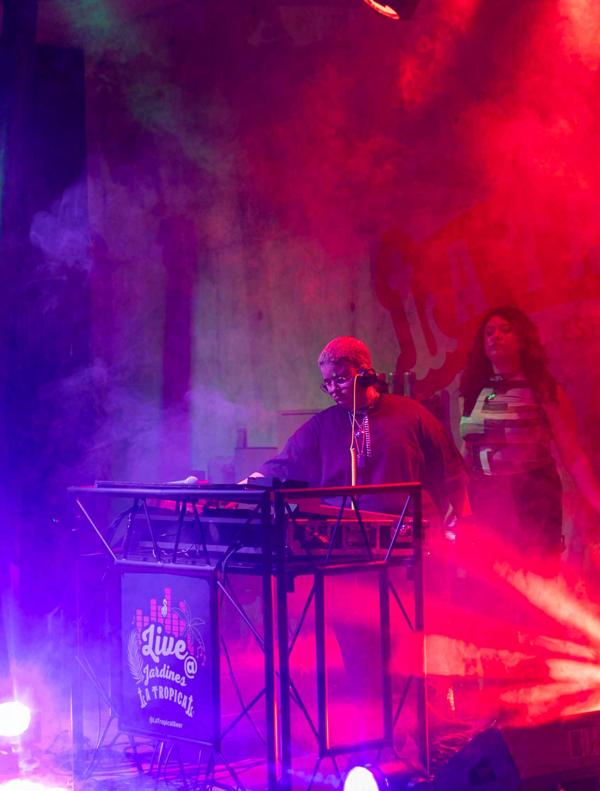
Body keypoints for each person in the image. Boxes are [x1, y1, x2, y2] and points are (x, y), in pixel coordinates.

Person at [251, 336, 470, 523]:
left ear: (366, 375)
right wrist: (242, 489)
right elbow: (284, 464)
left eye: (340, 379)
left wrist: (466, 522)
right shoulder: (322, 425)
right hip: (342, 538)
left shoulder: (412, 414)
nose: (333, 389)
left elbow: (451, 471)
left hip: (406, 535)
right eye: (327, 383)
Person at [459, 305, 600, 558]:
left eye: (505, 330)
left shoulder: (542, 389)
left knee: (537, 567)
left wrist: (595, 501)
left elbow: (572, 453)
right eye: (489, 332)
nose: (495, 337)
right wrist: (459, 503)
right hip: (487, 494)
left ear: (522, 338)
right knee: (492, 568)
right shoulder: (473, 390)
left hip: (532, 496)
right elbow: (467, 451)